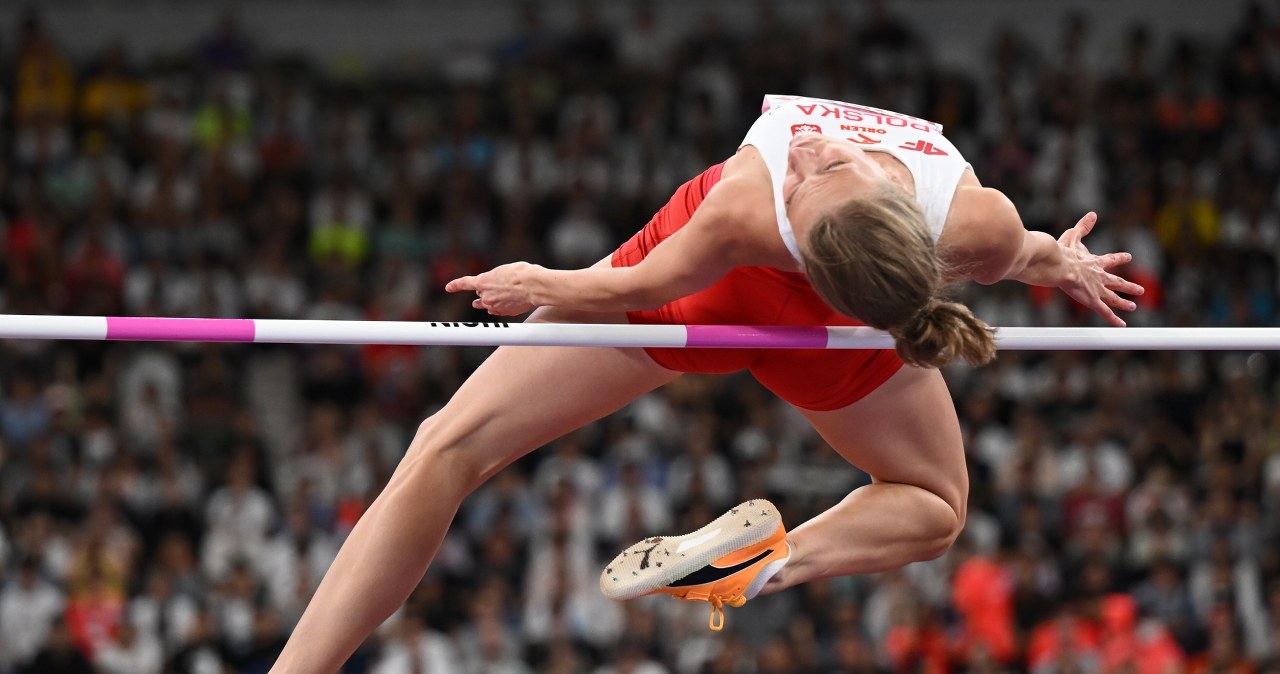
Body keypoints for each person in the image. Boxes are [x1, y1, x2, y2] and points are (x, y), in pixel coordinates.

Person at [268, 94, 1142, 672]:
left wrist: (546, 283)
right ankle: (768, 560)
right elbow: (1022, 254)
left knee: (447, 447)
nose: (808, 151)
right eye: (817, 166)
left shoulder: (747, 206)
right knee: (933, 503)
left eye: (816, 176)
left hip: (727, 295)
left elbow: (642, 289)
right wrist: (1059, 260)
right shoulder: (973, 220)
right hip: (831, 330)